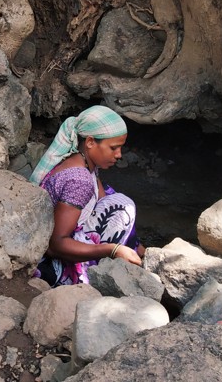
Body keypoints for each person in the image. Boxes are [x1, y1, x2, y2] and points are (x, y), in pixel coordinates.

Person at [30, 105, 144, 286]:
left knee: (111, 196)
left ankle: (135, 250)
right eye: (114, 148)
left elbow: (102, 198)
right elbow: (55, 245)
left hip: (63, 235)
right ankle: (85, 277)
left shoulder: (82, 160)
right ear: (90, 142)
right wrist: (112, 250)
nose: (119, 155)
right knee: (121, 206)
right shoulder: (79, 180)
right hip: (52, 259)